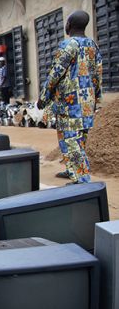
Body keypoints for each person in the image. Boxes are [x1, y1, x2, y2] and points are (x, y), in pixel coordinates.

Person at [37, 10, 102, 184]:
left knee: (70, 139)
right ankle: (71, 169)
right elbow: (97, 76)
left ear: (69, 25)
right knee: (79, 140)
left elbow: (55, 74)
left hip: (70, 103)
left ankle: (81, 180)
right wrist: (97, 100)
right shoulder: (93, 46)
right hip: (87, 102)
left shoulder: (68, 45)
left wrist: (43, 97)